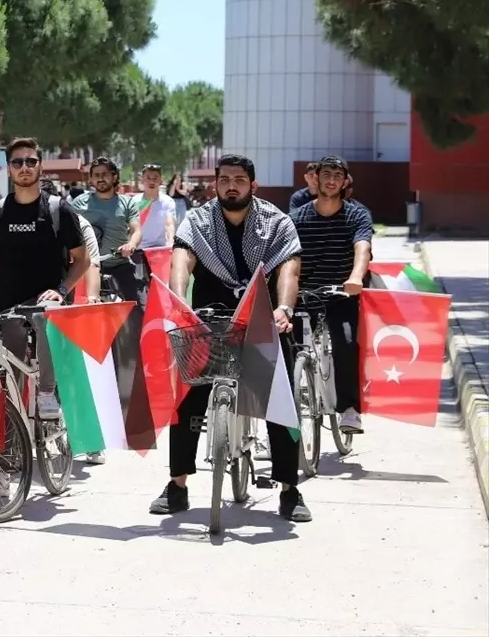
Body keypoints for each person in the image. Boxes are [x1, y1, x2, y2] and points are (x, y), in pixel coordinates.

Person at [153, 153, 311, 522]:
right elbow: (181, 260)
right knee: (189, 396)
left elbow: (290, 268)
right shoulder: (198, 220)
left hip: (263, 319)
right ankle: (177, 485)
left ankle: (290, 489)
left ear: (252, 186)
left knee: (281, 396)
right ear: (216, 184)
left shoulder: (277, 223)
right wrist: (179, 305)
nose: (231, 185)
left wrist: (284, 310)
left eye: (239, 179)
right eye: (224, 179)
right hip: (209, 320)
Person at [0, 140, 90, 419]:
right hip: (9, 304)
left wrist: (61, 290)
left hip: (46, 301)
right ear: (9, 169)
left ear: (41, 166)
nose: (24, 167)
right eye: (17, 163)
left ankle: (47, 393)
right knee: (11, 374)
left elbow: (83, 260)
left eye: (31, 161)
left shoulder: (59, 210)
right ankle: (11, 449)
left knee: (44, 319)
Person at [289, 154, 373, 435]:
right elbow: (287, 256)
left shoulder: (356, 214)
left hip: (341, 293)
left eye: (338, 175)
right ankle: (280, 422)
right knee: (289, 350)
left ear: (345, 181)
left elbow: (362, 248)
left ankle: (349, 409)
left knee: (346, 342)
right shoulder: (297, 217)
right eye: (326, 174)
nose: (331, 179)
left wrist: (356, 277)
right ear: (317, 178)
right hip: (305, 294)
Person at [71, 157, 142, 301]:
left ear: (114, 176)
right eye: (96, 175)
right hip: (87, 267)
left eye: (104, 174)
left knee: (137, 309)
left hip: (120, 263)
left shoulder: (127, 203)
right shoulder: (79, 203)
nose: (100, 179)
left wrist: (131, 244)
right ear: (91, 179)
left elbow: (136, 230)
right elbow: (69, 231)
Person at [133, 163, 177, 249]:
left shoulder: (168, 202)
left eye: (155, 178)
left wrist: (171, 243)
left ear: (161, 180)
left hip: (160, 248)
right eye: (148, 178)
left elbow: (169, 225)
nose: (152, 181)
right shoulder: (134, 202)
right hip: (139, 249)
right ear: (142, 179)